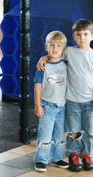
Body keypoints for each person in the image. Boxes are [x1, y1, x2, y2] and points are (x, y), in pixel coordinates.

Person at [37, 18, 93, 172]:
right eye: (78, 34)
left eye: (85, 34)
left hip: (89, 100)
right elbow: (54, 55)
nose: (82, 38)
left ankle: (86, 154)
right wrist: (43, 58)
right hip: (72, 101)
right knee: (73, 130)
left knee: (88, 130)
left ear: (92, 36)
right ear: (74, 36)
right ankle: (73, 154)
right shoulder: (69, 51)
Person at [33, 30, 69, 172]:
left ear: (64, 49)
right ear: (46, 47)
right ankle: (41, 160)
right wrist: (37, 105)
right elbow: (37, 86)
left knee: (59, 135)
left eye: (59, 46)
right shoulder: (43, 66)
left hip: (62, 106)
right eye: (51, 45)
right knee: (45, 135)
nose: (55, 49)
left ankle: (56, 157)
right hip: (47, 106)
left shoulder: (66, 64)